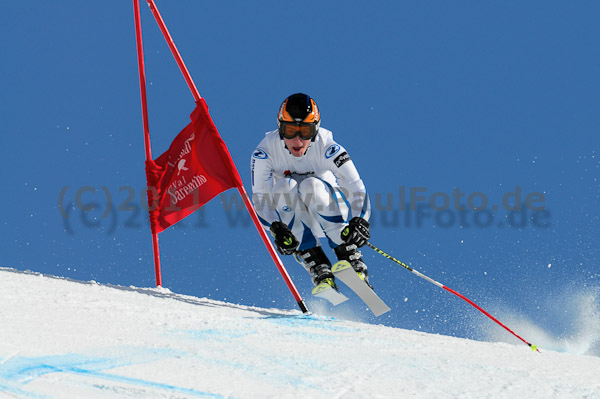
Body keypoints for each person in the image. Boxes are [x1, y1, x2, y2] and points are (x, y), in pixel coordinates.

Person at [251, 93, 371, 290]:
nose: (297, 140)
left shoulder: (328, 147)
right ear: (280, 128)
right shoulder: (265, 151)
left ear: (314, 130)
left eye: (305, 132)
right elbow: (260, 200)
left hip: (330, 209)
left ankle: (347, 253)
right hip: (294, 217)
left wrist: (360, 221)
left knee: (311, 186)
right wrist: (276, 228)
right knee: (283, 187)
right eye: (290, 131)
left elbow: (356, 187)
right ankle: (316, 263)